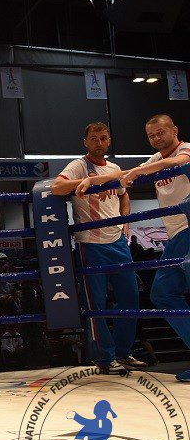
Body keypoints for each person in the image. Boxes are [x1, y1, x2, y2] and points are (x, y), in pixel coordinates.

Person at [76, 114, 190, 382]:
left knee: (164, 293)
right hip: (177, 234)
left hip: (187, 227)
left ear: (175, 130)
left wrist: (140, 172)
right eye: (151, 136)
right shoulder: (155, 159)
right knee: (163, 294)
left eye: (161, 133)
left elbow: (179, 162)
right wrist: (92, 181)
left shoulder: (185, 149)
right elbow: (124, 174)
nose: (157, 138)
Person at [51, 122, 144, 374]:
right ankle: (105, 357)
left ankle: (124, 352)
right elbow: (57, 187)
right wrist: (86, 182)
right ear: (86, 142)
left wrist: (125, 220)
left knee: (131, 298)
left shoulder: (114, 169)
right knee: (96, 304)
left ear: (109, 141)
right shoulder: (78, 165)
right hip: (90, 244)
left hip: (117, 241)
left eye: (103, 138)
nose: (99, 142)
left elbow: (124, 194)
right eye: (94, 138)